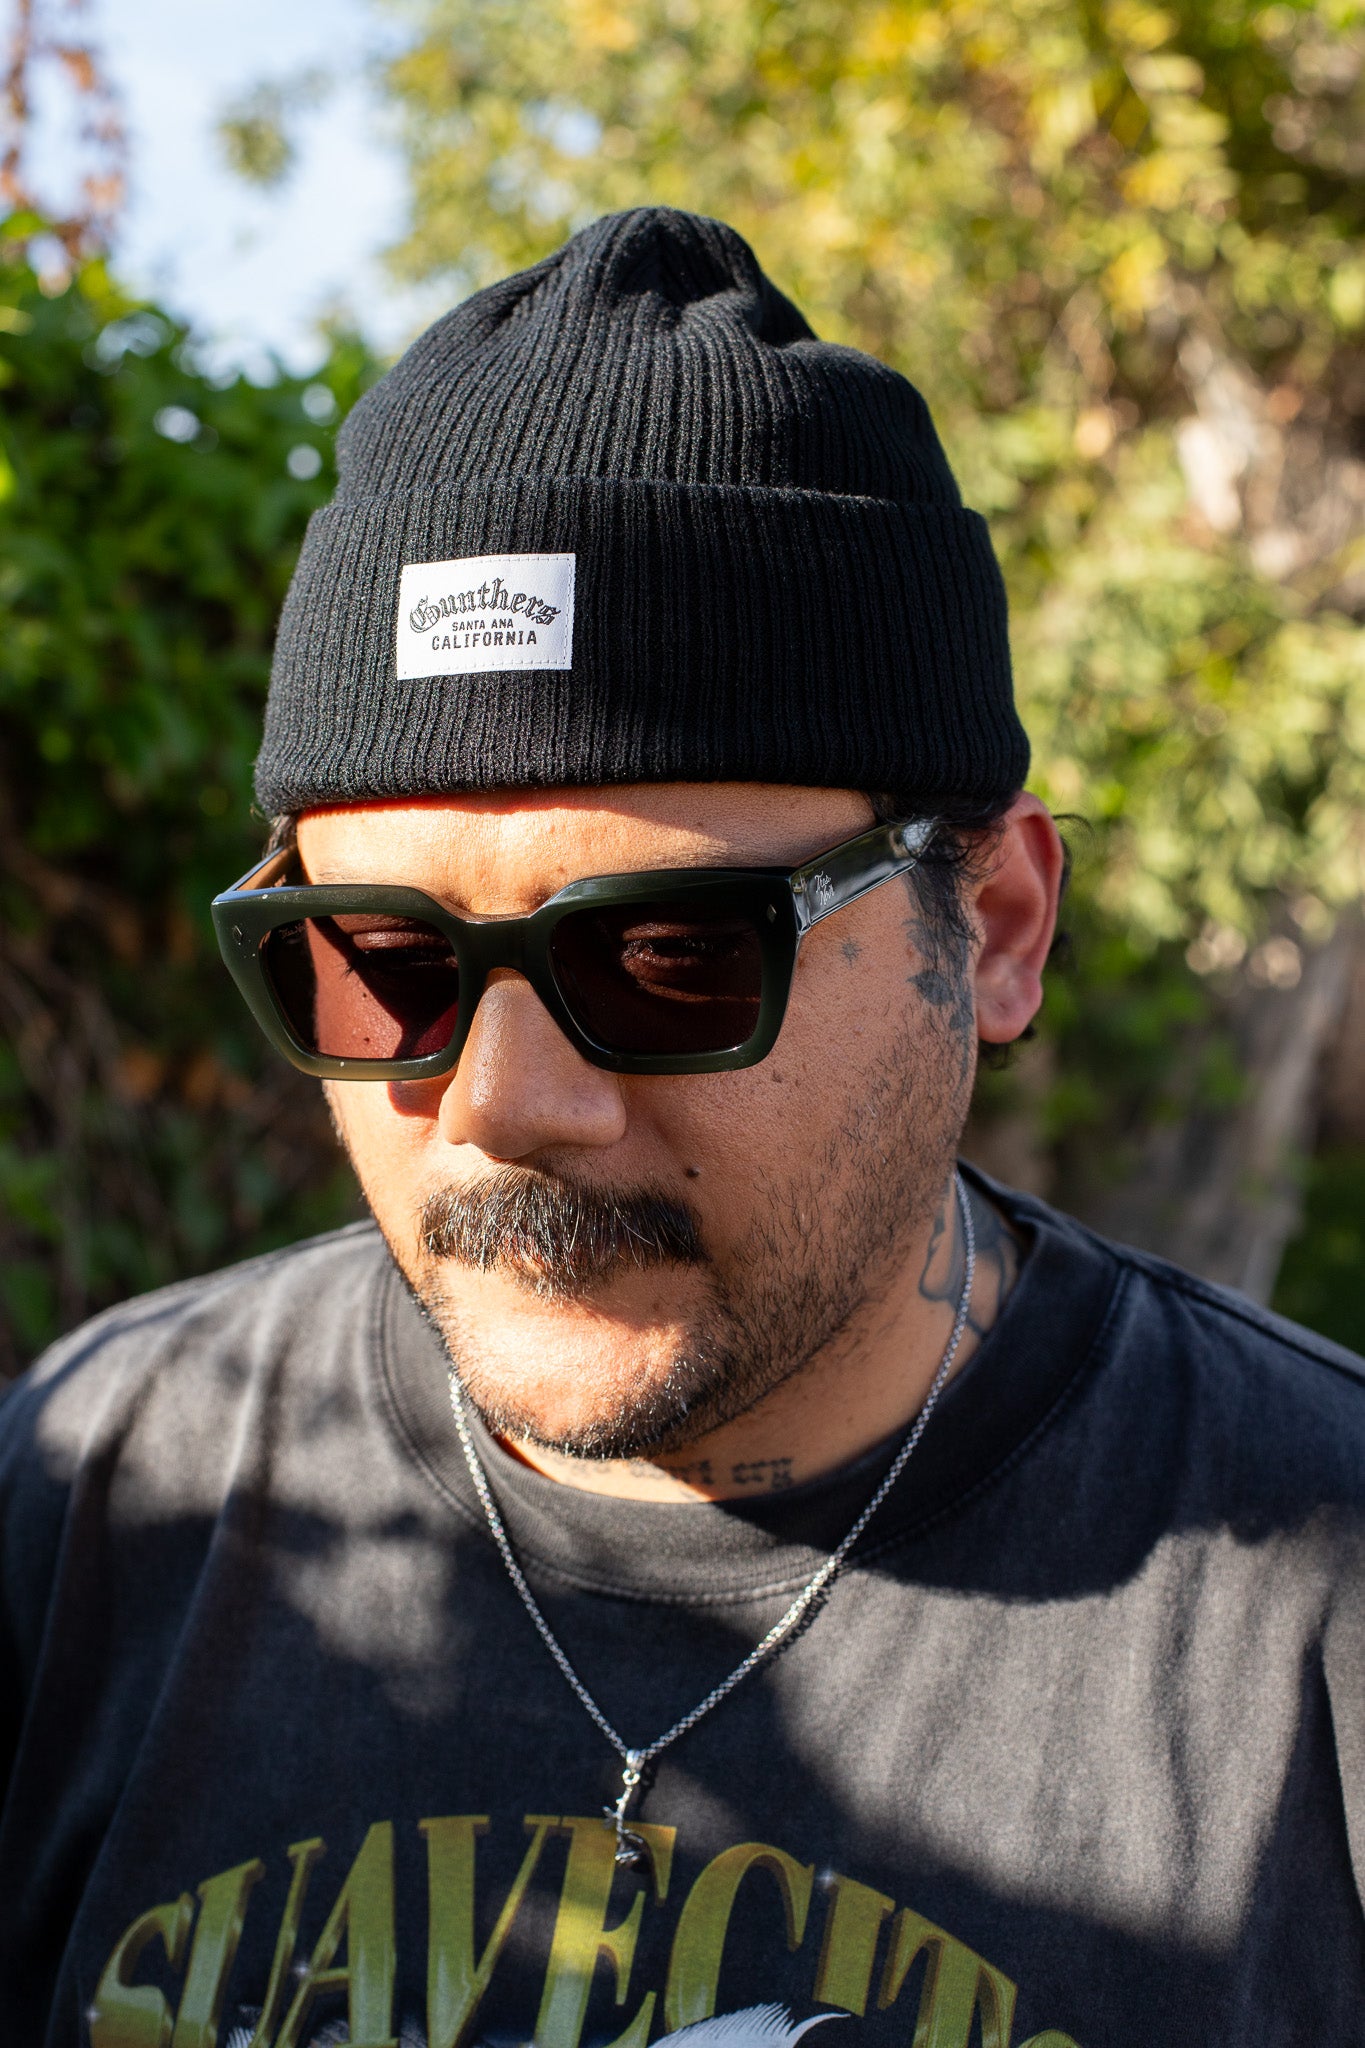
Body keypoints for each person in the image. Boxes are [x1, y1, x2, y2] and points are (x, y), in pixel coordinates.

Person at [2, 207, 1362, 2048]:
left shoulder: (1314, 1622)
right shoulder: (91, 1495)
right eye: (381, 961)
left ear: (999, 930)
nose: (499, 1105)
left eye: (664, 956)